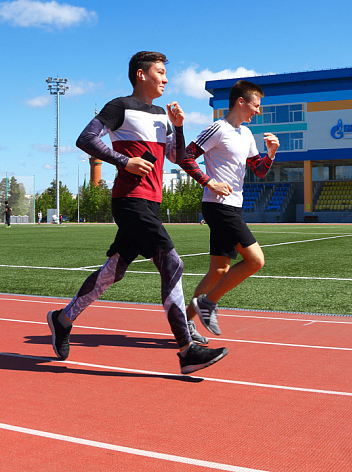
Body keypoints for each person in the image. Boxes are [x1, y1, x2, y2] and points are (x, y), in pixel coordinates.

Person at [46, 51, 228, 375]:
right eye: (160, 72)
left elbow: (178, 156)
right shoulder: (120, 107)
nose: (166, 79)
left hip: (151, 203)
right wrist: (123, 161)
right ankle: (187, 349)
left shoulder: (161, 114)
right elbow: (85, 138)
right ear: (141, 75)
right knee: (172, 263)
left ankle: (62, 319)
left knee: (111, 273)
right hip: (129, 200)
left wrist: (179, 127)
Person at [177, 80, 279, 340]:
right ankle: (208, 303)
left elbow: (259, 170)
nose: (258, 111)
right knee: (256, 260)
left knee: (219, 270)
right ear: (241, 102)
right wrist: (209, 181)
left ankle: (184, 324)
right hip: (217, 206)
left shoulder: (246, 134)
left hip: (234, 206)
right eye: (256, 105)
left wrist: (271, 154)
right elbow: (186, 157)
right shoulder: (217, 129)